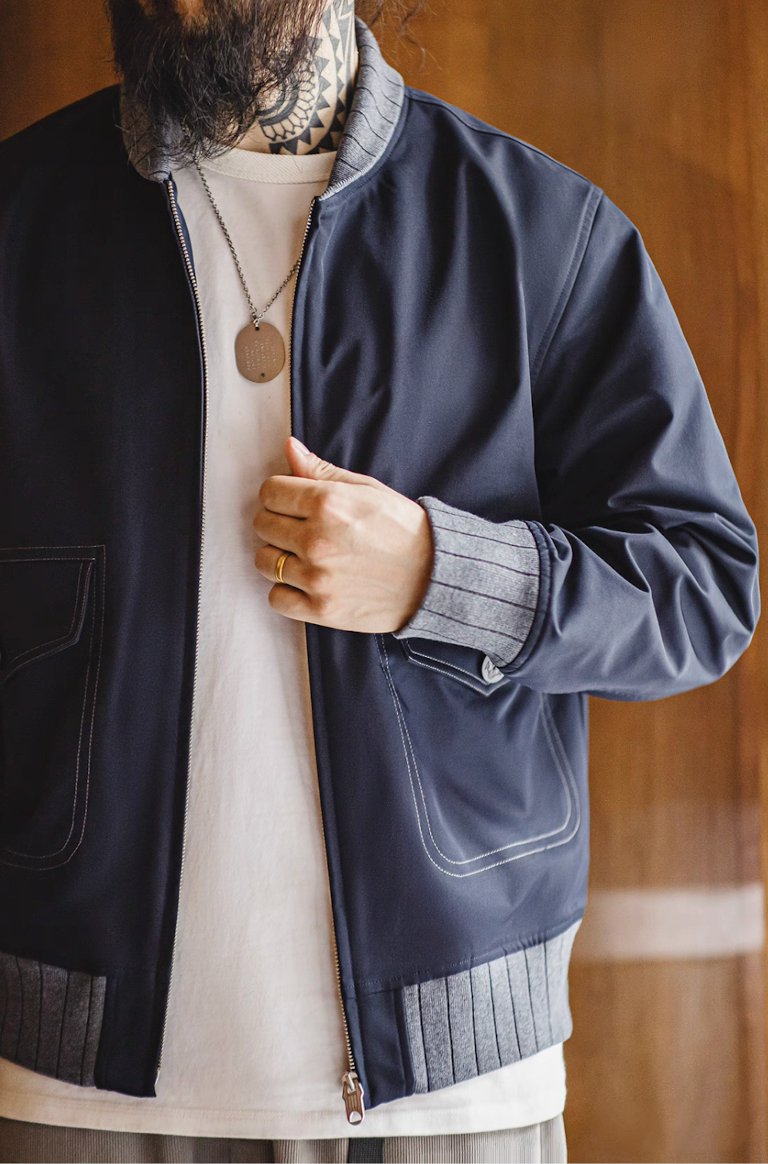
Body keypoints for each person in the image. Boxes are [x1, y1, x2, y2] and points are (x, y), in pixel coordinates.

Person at [0, 0, 758, 1161]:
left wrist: (442, 577)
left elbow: (704, 588)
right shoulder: (19, 223)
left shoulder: (538, 232)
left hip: (452, 1095)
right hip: (67, 1085)